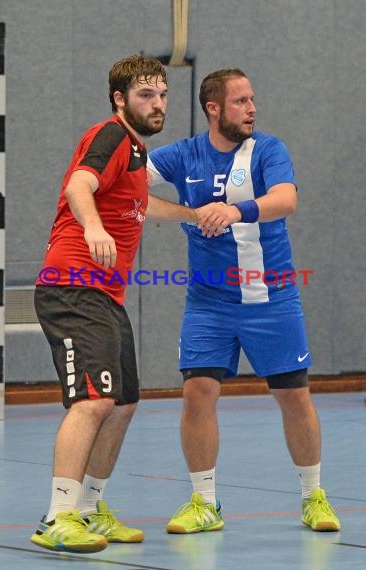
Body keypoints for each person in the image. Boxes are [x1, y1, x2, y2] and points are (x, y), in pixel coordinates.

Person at [146, 68, 341, 534]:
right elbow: (128, 187)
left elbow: (286, 199)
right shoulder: (184, 155)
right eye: (240, 102)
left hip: (270, 298)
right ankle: (204, 503)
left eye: (252, 100)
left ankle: (313, 496)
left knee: (294, 395)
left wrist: (234, 210)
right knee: (198, 392)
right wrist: (188, 215)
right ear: (213, 108)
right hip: (208, 303)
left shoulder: (268, 150)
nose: (251, 109)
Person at [31, 54, 193, 554]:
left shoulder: (138, 154)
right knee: (93, 400)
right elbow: (81, 183)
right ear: (120, 99)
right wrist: (94, 226)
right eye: (146, 95)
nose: (158, 103)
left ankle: (88, 509)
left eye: (163, 94)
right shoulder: (112, 136)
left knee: (122, 404)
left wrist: (197, 214)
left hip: (105, 295)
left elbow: (142, 207)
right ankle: (58, 517)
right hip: (73, 286)